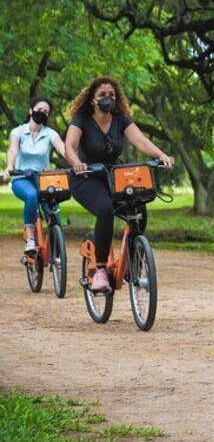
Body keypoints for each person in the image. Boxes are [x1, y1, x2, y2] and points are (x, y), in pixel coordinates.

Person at [65, 76, 175, 292]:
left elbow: (140, 141)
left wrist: (162, 155)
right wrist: (77, 163)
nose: (108, 99)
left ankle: (131, 262)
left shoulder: (121, 119)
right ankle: (100, 270)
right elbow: (70, 145)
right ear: (92, 99)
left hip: (113, 176)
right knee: (105, 210)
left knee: (139, 210)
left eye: (112, 95)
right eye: (102, 95)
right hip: (86, 176)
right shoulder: (82, 119)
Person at [1, 97, 66, 257]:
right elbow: (13, 150)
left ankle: (55, 246)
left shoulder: (50, 133)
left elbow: (63, 149)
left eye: (46, 112)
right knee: (31, 196)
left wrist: (76, 162)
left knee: (54, 212)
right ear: (31, 110)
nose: (42, 113)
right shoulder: (18, 132)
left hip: (44, 180)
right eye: (39, 109)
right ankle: (30, 239)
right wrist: (10, 166)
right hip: (22, 178)